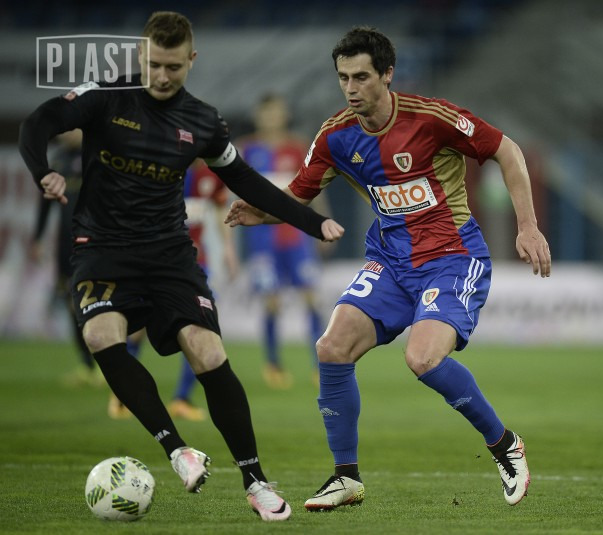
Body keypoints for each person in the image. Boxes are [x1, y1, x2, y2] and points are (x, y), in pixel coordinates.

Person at [18, 11, 343, 522]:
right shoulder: (106, 98)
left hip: (168, 253)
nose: (162, 76)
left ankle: (256, 482)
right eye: (153, 64)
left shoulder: (203, 121)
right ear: (140, 56)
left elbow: (246, 180)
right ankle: (177, 449)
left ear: (191, 60)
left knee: (208, 352)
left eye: (173, 66)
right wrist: (42, 171)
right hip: (102, 248)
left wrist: (311, 222)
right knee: (101, 335)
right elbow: (37, 123)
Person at [226, 26, 552, 511]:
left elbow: (507, 150)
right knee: (331, 347)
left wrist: (527, 226)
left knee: (422, 358)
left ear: (387, 74)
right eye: (343, 78)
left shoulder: (432, 118)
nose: (351, 88)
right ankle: (346, 478)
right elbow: (298, 194)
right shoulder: (336, 135)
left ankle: (504, 444)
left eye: (361, 77)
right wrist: (262, 210)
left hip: (452, 258)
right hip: (391, 261)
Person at [108, 160, 240, 421]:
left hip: (194, 263)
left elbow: (218, 209)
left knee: (201, 326)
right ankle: (122, 396)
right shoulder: (159, 164)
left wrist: (228, 248)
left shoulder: (211, 174)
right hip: (156, 259)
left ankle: (181, 398)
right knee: (138, 329)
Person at [237, 94, 328, 389]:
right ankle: (273, 365)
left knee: (311, 298)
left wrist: (321, 223)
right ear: (258, 116)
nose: (272, 118)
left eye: (277, 112)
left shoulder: (298, 146)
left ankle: (320, 366)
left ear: (285, 115)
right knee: (272, 302)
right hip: (263, 239)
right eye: (267, 112)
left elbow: (315, 189)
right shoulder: (245, 149)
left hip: (297, 236)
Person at [28, 129, 103, 388]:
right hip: (65, 244)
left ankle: (107, 363)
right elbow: (45, 203)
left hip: (95, 241)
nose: (66, 132)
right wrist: (38, 237)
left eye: (72, 127)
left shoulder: (97, 155)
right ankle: (87, 365)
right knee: (73, 303)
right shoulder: (58, 160)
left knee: (98, 302)